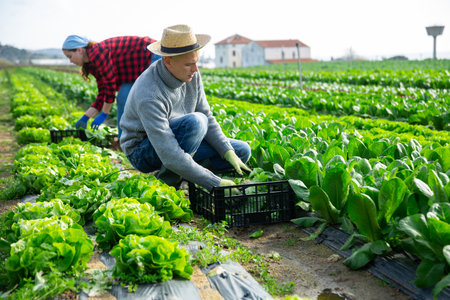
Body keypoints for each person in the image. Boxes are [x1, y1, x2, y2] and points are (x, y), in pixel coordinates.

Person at [120, 24, 251, 191]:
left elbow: (207, 115)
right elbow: (168, 152)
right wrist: (213, 182)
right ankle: (167, 182)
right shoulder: (149, 92)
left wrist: (227, 150)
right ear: (168, 61)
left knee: (241, 151)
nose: (195, 69)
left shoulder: (191, 74)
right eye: (189, 64)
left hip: (180, 138)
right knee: (196, 122)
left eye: (196, 62)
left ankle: (188, 171)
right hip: (142, 150)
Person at [62, 35, 161, 138]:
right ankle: (124, 141)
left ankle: (152, 138)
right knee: (123, 98)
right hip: (134, 70)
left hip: (152, 54)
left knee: (150, 100)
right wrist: (86, 117)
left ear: (79, 50)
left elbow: (110, 85)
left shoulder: (97, 52)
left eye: (70, 56)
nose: (70, 61)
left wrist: (104, 113)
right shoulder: (91, 64)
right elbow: (103, 92)